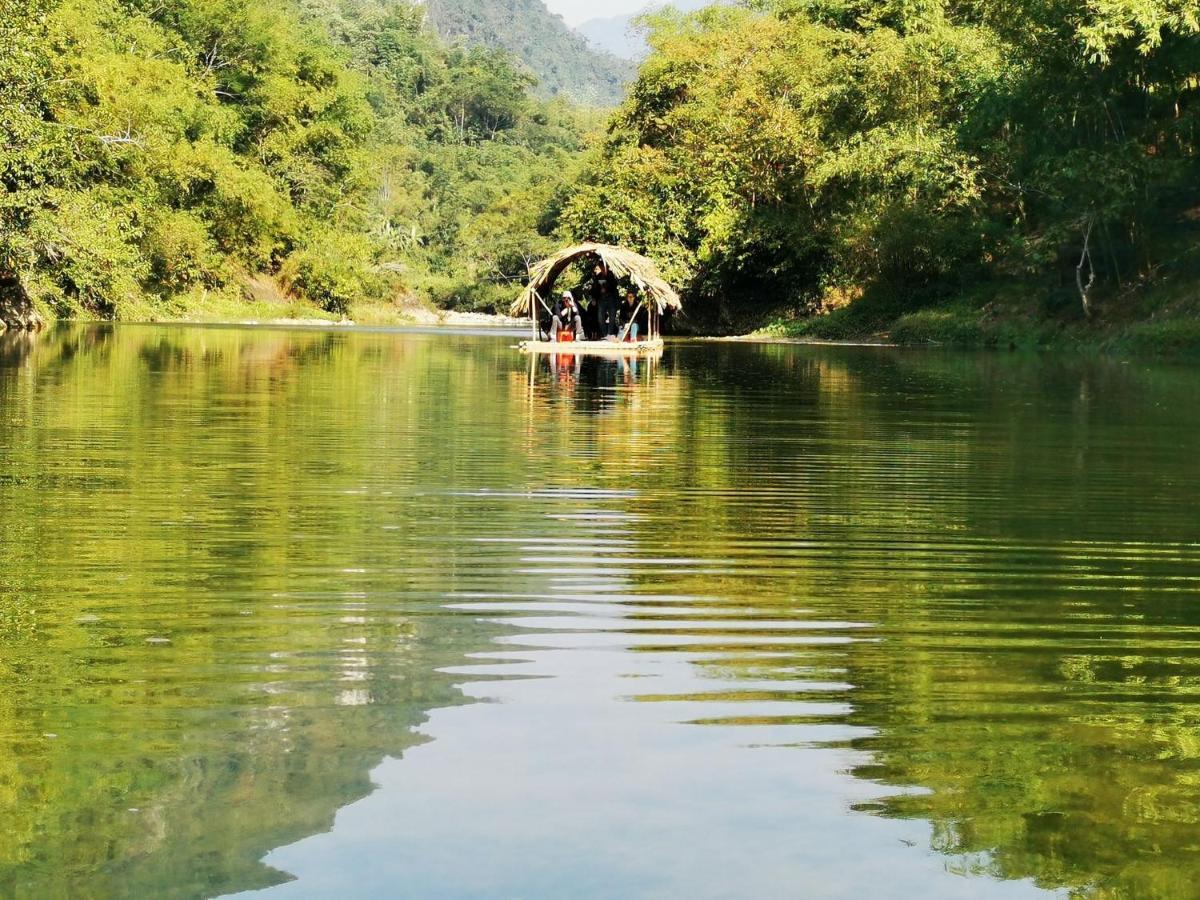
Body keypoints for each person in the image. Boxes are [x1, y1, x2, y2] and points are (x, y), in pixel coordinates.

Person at [587, 263, 619, 338]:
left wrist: (606, 288)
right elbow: (595, 288)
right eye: (601, 267)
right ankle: (605, 334)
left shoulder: (612, 275)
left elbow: (614, 285)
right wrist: (593, 296)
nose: (602, 269)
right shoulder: (598, 276)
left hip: (611, 298)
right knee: (600, 318)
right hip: (601, 299)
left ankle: (610, 334)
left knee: (612, 317)